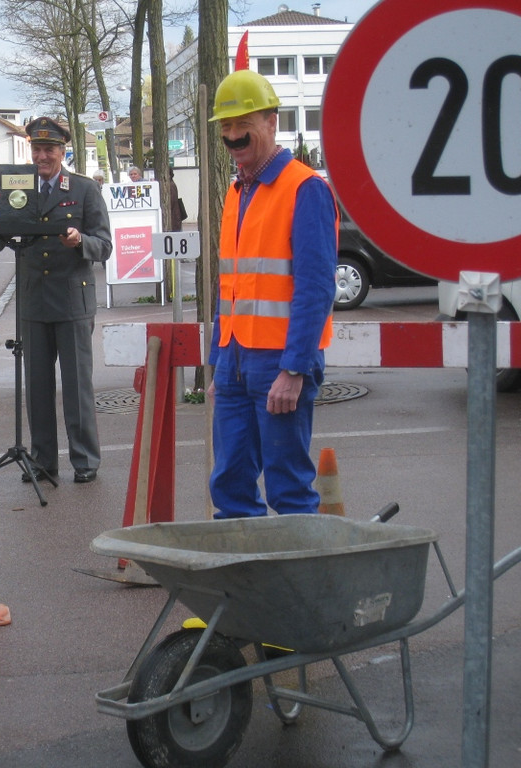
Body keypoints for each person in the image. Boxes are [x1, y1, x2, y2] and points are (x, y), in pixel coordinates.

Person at [206, 69, 338, 519]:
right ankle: (243, 586)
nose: (233, 134)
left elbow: (316, 288)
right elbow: (232, 287)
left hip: (280, 362)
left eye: (244, 122)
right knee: (230, 485)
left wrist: (295, 368)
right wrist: (218, 359)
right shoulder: (238, 190)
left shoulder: (305, 189)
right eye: (225, 126)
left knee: (289, 490)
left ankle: (298, 588)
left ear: (271, 122)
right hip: (236, 360)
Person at [0, 117, 112, 484]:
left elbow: (104, 246)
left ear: (63, 151)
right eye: (37, 149)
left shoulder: (83, 190)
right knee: (38, 388)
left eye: (49, 149)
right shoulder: (19, 187)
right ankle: (44, 460)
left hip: (71, 302)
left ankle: (85, 461)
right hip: (34, 303)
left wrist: (81, 242)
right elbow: (3, 235)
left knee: (77, 387)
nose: (42, 156)